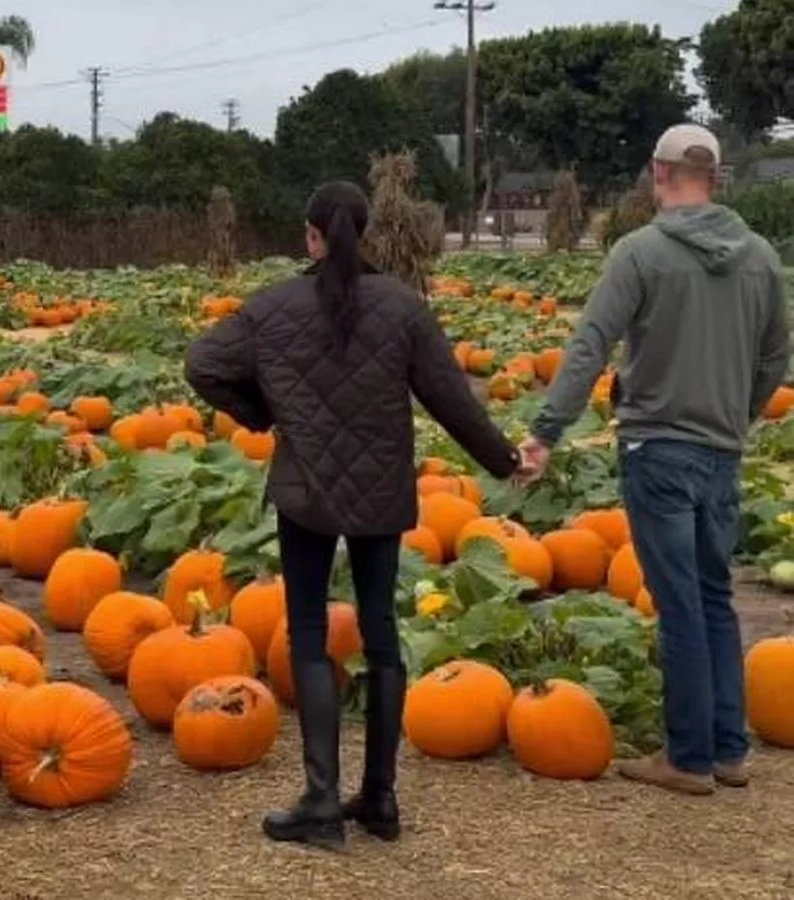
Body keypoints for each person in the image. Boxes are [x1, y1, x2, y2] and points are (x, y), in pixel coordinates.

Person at [184, 181, 523, 848]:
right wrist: (505, 459)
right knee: (381, 633)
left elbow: (202, 365)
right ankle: (380, 798)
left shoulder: (273, 306)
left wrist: (263, 412)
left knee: (309, 634)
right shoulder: (401, 306)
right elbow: (451, 399)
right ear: (361, 233)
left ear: (311, 235)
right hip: (380, 488)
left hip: (306, 488)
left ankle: (319, 801)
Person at [517, 124, 791, 795]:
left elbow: (590, 345)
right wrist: (739, 415)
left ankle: (689, 758)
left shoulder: (639, 252)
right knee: (715, 594)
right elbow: (776, 358)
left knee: (679, 604)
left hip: (658, 448)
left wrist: (546, 430)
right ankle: (728, 750)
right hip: (721, 451)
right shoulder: (760, 257)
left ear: (657, 172)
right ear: (717, 177)